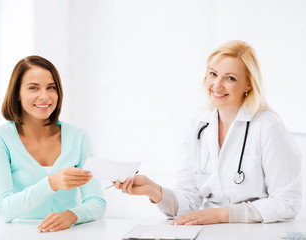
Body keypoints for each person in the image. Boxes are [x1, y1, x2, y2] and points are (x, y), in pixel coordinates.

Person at [114, 40, 302, 224]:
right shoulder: (198, 124)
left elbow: (287, 203)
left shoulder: (268, 126)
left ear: (249, 85)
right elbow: (189, 199)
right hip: (211, 232)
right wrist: (154, 191)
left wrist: (223, 215)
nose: (217, 85)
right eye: (213, 74)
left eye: (230, 78)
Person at [0, 56, 106, 232]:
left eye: (51, 88)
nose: (44, 96)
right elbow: (4, 209)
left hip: (69, 233)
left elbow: (97, 202)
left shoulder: (78, 137)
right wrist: (52, 183)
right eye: (33, 88)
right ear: (17, 94)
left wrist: (72, 215)